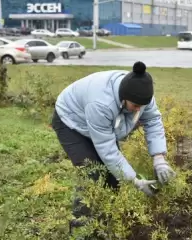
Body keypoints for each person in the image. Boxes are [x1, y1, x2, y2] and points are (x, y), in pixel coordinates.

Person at [51, 61, 176, 231]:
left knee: (113, 177)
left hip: (99, 124)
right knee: (91, 174)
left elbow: (153, 120)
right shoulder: (101, 104)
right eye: (135, 106)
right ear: (123, 98)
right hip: (70, 120)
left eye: (142, 107)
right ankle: (80, 229)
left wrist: (159, 158)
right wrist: (134, 180)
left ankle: (105, 225)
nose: (138, 110)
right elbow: (107, 149)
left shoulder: (142, 95)